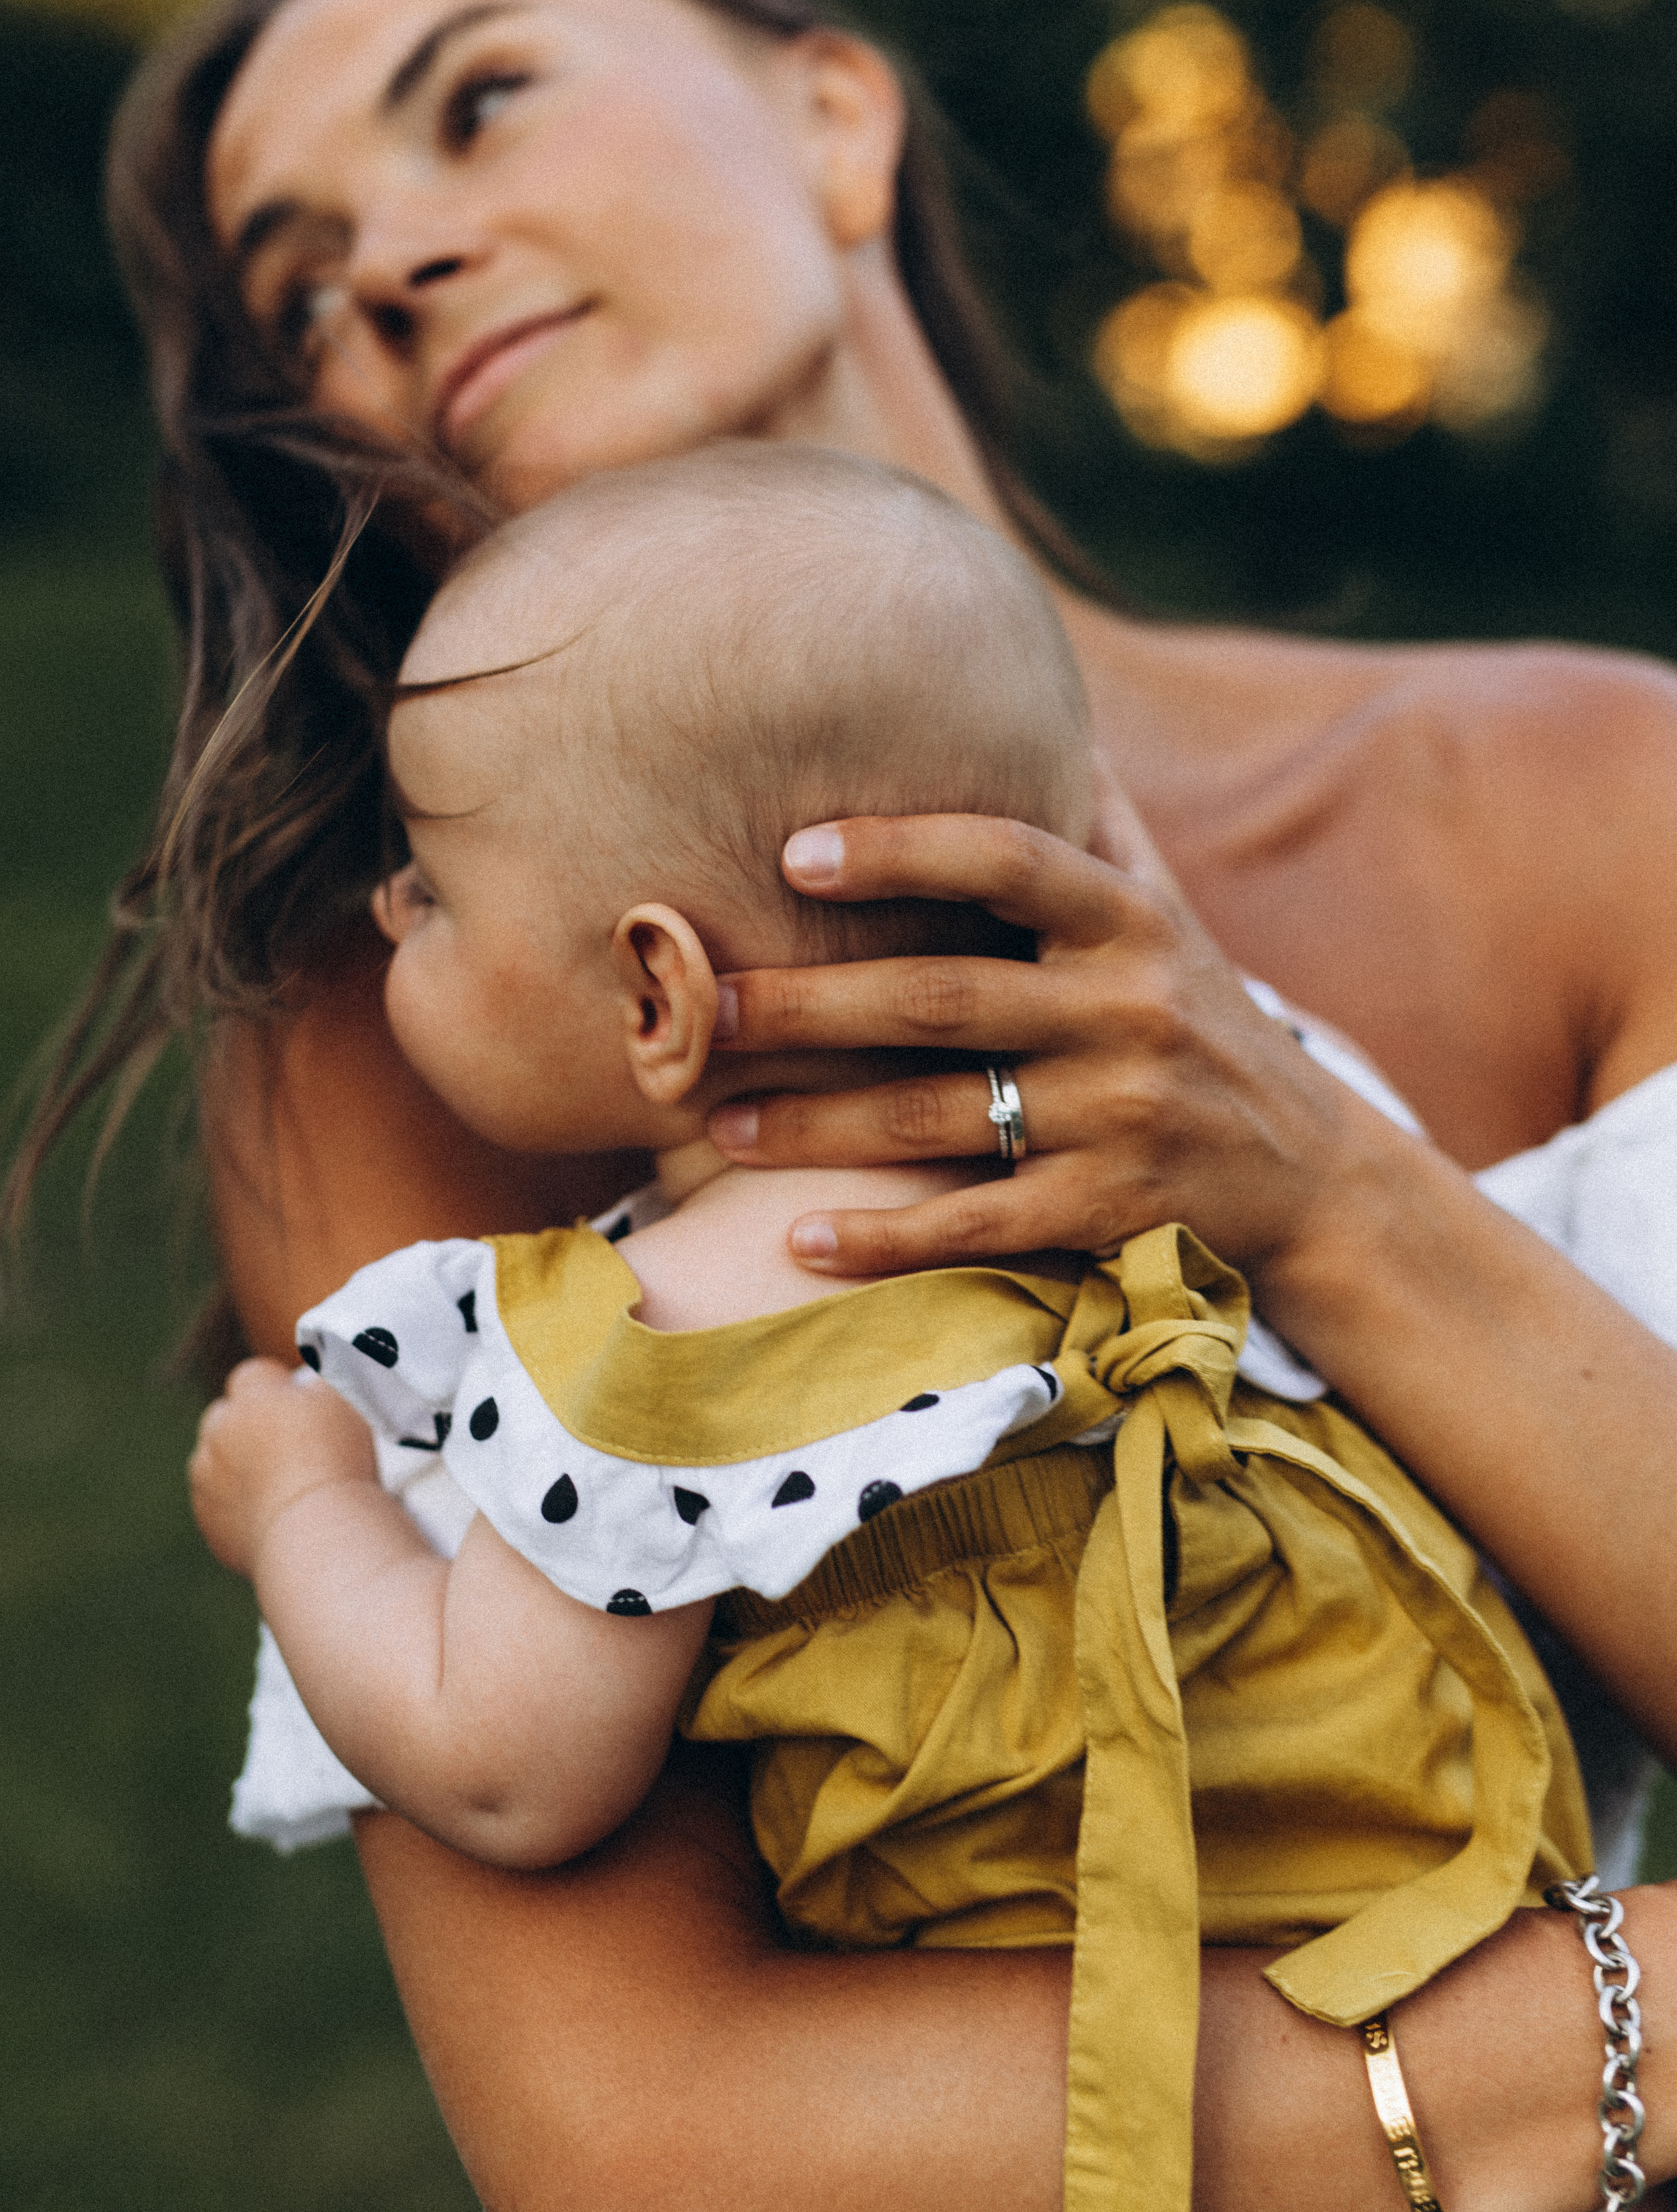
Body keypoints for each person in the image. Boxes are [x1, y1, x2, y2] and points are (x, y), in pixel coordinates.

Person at [32, 0, 1677, 2202]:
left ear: (832, 117)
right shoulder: (412, 1047)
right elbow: (647, 2137)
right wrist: (1640, 2029)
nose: (382, 266)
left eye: (478, 100)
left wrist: (1325, 1196)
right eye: (297, 287)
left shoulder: (1602, 801)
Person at [187, 446, 1592, 2212]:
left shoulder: (661, 1346)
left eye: (432, 887)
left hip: (1060, 2112)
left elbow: (502, 1764)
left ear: (655, 994)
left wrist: (304, 1504)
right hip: (1475, 1984)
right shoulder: (1158, 1201)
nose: (393, 912)